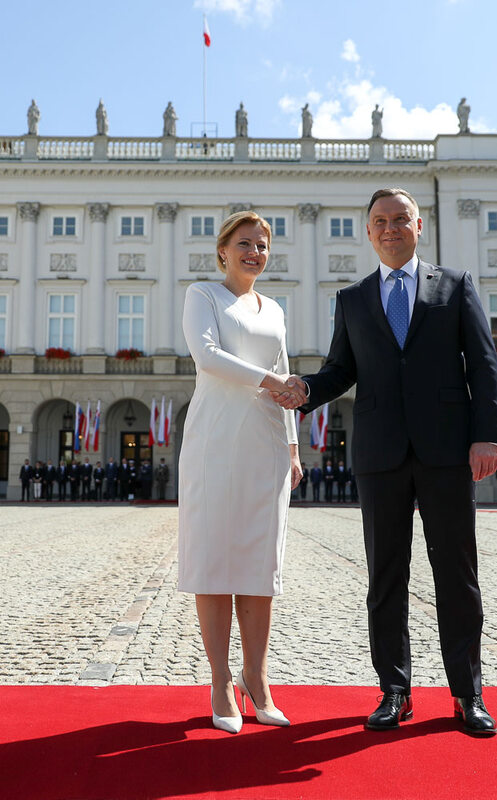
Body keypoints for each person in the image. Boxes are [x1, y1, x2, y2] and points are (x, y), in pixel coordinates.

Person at [287, 187, 497, 737]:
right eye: (379, 221)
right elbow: (341, 370)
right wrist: (304, 389)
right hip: (381, 455)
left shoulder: (454, 286)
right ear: (367, 231)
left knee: (457, 575)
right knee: (386, 577)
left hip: (447, 450)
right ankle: (395, 690)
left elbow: (482, 364)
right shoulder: (353, 298)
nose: (390, 228)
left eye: (400, 219)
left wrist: (486, 436)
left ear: (418, 225)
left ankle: (466, 694)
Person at [178, 211, 302, 735]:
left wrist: (293, 446)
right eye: (245, 243)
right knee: (215, 560)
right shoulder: (203, 295)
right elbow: (208, 358)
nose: (255, 252)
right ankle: (220, 680)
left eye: (263, 245)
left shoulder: (273, 307)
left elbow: (288, 372)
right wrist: (274, 380)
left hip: (267, 445)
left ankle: (258, 678)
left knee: (258, 564)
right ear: (223, 250)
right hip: (214, 444)